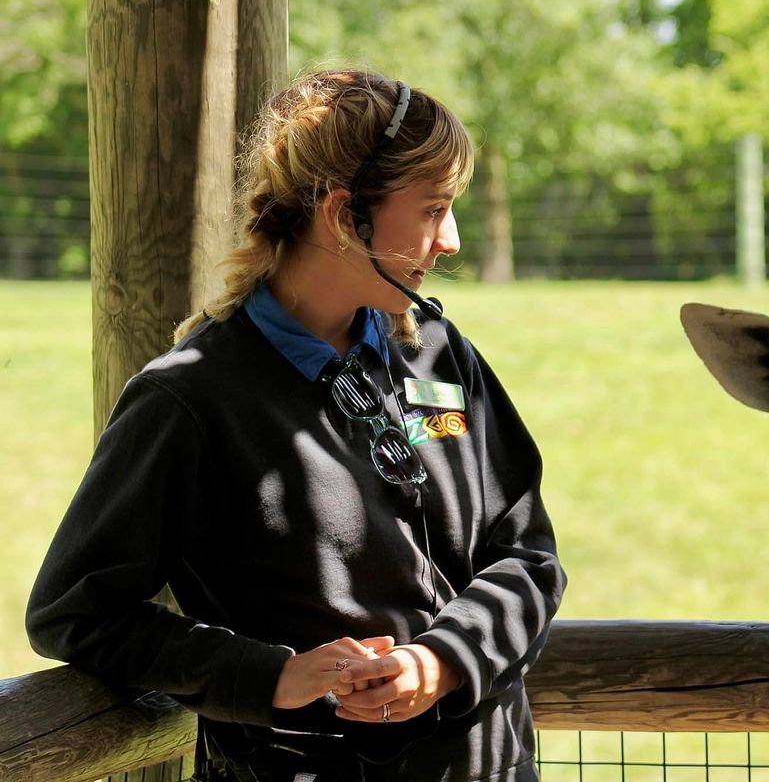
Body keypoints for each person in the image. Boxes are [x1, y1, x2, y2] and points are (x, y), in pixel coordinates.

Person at [26, 69, 567, 782]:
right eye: (433, 209)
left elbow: (528, 554)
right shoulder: (191, 400)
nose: (453, 240)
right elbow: (78, 610)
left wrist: (441, 661)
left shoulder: (438, 352)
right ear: (346, 216)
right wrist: (270, 677)